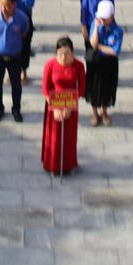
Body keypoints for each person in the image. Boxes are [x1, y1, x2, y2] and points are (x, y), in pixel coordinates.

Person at [41, 36, 86, 176]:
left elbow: (82, 89)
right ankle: (51, 165)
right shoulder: (50, 65)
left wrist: (69, 107)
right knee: (54, 137)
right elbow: (45, 89)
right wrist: (55, 108)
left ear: (72, 53)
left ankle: (68, 164)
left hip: (70, 105)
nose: (64, 57)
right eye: (60, 53)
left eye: (67, 53)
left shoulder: (79, 65)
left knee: (69, 137)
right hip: (53, 104)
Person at [0, 0, 30, 123]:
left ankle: (16, 109)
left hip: (15, 57)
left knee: (16, 85)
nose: (4, 8)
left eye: (8, 5)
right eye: (2, 5)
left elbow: (24, 32)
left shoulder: (22, 18)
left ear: (14, 4)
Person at [86, 0, 124, 127]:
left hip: (109, 64)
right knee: (94, 88)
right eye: (100, 17)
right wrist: (96, 27)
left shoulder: (117, 30)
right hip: (96, 63)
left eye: (105, 18)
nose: (102, 20)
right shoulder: (96, 24)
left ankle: (105, 112)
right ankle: (95, 113)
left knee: (107, 89)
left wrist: (100, 47)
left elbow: (115, 51)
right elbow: (93, 42)